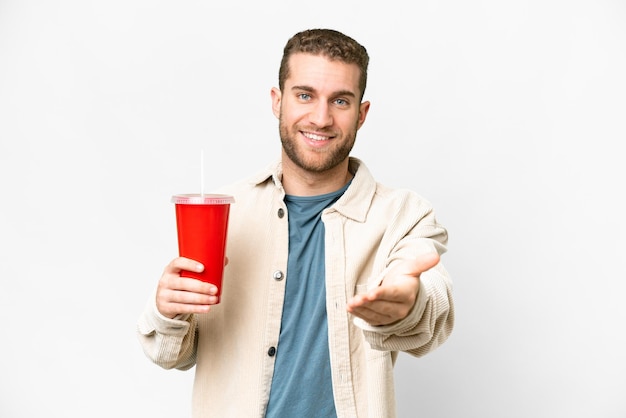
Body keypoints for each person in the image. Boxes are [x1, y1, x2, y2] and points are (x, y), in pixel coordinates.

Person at [137, 28, 454, 418]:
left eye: (340, 100)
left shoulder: (402, 215)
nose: (320, 119)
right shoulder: (225, 214)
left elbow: (434, 310)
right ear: (277, 101)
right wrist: (167, 311)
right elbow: (172, 355)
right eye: (305, 95)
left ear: (362, 113)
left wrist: (410, 303)